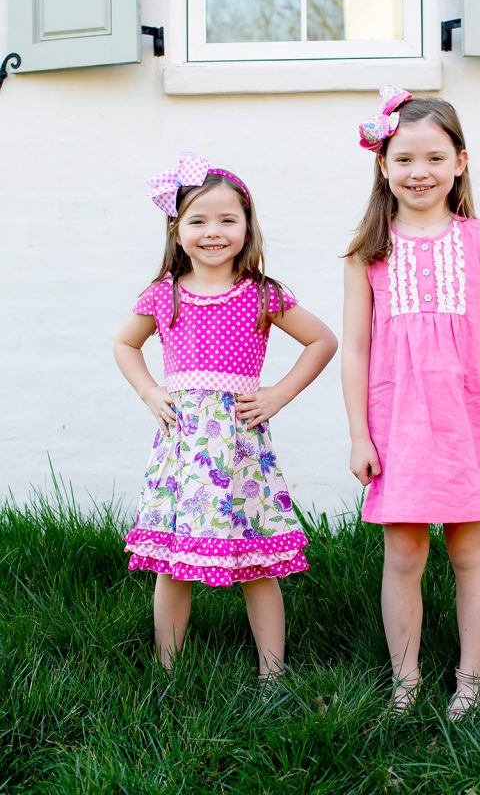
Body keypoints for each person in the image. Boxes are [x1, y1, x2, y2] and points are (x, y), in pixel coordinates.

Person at [114, 152, 337, 678]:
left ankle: (273, 672)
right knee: (174, 563)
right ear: (176, 229)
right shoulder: (163, 295)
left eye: (227, 219)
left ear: (247, 226)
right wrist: (150, 392)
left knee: (256, 560)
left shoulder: (261, 294)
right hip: (186, 448)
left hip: (239, 447)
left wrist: (277, 394)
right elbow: (125, 344)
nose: (213, 232)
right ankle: (167, 670)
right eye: (198, 220)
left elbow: (322, 341)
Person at [341, 87, 480, 719]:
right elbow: (357, 350)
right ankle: (406, 680)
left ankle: (471, 679)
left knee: (470, 550)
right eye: (404, 159)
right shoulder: (369, 250)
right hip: (396, 421)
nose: (419, 172)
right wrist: (359, 435)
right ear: (384, 166)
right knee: (404, 553)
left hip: (460, 418)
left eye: (434, 158)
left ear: (460, 163)